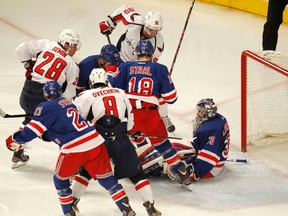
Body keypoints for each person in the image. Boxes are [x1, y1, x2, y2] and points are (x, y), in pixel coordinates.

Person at [5, 81, 135, 216]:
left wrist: (14, 139)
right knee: (107, 179)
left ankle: (68, 212)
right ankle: (127, 209)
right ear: (60, 92)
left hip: (74, 149)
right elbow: (56, 130)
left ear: (45, 95)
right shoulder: (68, 102)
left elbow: (30, 132)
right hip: (95, 142)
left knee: (60, 180)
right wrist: (44, 134)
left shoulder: (44, 107)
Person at [72, 68, 161, 216]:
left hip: (98, 142)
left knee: (85, 171)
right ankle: (150, 207)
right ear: (107, 82)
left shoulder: (83, 96)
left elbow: (77, 122)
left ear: (90, 82)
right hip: (121, 139)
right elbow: (130, 121)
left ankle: (72, 203)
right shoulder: (120, 92)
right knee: (137, 174)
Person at [108, 39, 192, 185]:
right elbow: (171, 98)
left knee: (130, 135)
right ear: (152, 53)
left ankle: (135, 156)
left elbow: (113, 87)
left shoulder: (125, 66)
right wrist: (162, 85)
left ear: (136, 53)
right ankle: (180, 170)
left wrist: (111, 69)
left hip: (129, 114)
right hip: (149, 115)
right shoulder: (160, 68)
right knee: (163, 145)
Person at [99, 3, 176, 133]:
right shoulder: (135, 21)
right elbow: (124, 9)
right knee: (110, 85)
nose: (153, 32)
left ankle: (164, 117)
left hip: (136, 68)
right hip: (120, 59)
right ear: (145, 24)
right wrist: (110, 22)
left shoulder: (159, 43)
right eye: (151, 29)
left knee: (158, 91)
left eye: (156, 30)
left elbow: (149, 64)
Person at [12, 29, 81, 169]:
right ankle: (72, 165)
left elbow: (20, 50)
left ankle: (18, 152)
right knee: (60, 128)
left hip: (27, 91)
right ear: (66, 44)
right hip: (45, 98)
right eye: (74, 46)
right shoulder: (72, 64)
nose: (75, 50)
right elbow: (69, 93)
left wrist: (27, 64)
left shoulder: (45, 44)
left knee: (30, 120)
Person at [138, 98, 230, 183]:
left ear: (209, 113)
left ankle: (148, 170)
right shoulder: (219, 119)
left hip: (212, 168)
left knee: (168, 161)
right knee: (174, 147)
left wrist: (192, 171)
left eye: (201, 112)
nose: (198, 114)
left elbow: (210, 156)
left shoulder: (210, 130)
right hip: (213, 157)